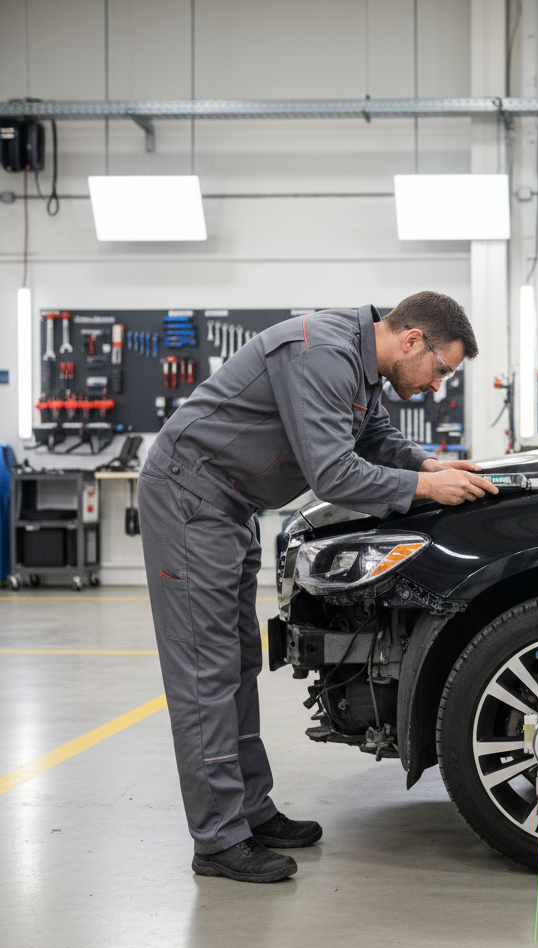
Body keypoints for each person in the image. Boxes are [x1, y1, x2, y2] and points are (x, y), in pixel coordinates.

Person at [138, 292, 498, 883]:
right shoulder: (320, 355)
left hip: (230, 506)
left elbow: (374, 437)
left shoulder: (362, 362)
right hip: (190, 499)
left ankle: (249, 813)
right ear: (412, 340)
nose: (439, 385)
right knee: (205, 672)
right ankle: (219, 840)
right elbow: (334, 473)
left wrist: (427, 466)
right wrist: (426, 491)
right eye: (441, 370)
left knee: (235, 664)